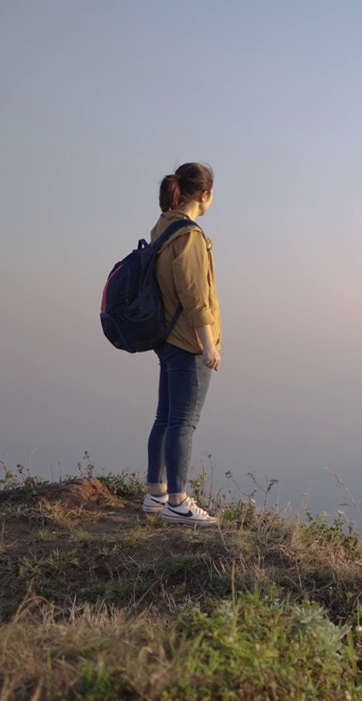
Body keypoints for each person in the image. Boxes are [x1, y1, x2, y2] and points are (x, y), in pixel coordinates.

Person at [141, 162, 222, 527]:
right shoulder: (188, 236)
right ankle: (178, 501)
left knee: (166, 418)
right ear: (204, 194)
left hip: (166, 338)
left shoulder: (163, 227)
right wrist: (209, 346)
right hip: (187, 342)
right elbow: (195, 298)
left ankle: (155, 492)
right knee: (183, 423)